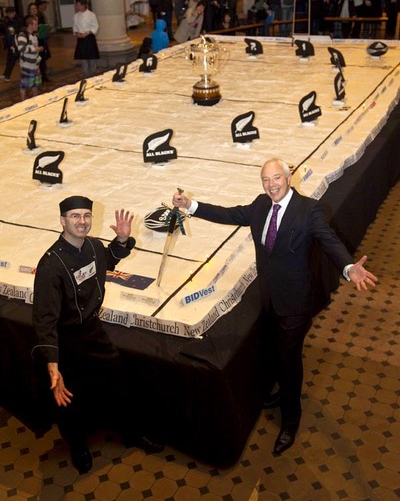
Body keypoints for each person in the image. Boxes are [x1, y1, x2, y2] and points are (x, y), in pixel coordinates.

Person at [172, 158, 377, 456]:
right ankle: (282, 392)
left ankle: (290, 420)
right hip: (269, 296)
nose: (271, 185)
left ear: (289, 176)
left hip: (296, 302)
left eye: (276, 178)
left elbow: (329, 240)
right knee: (276, 351)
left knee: (289, 359)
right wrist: (191, 205)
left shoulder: (309, 210)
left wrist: (348, 268)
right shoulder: (260, 205)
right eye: (266, 180)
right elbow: (230, 214)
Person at [32, 196, 163, 474]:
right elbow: (44, 320)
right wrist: (53, 366)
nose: (82, 221)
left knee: (119, 381)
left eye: (86, 216)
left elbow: (109, 259)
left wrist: (123, 241)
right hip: (65, 339)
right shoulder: (50, 265)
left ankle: (131, 433)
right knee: (70, 399)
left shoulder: (93, 246)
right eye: (75, 216)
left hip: (92, 331)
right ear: (62, 221)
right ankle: (77, 446)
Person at [17, 15, 43, 101]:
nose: (37, 26)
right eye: (35, 24)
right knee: (24, 85)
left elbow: (35, 52)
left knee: (35, 84)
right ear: (30, 25)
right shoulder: (22, 35)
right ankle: (23, 103)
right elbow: (21, 48)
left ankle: (36, 101)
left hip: (34, 65)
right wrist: (35, 49)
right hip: (26, 65)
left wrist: (38, 65)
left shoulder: (33, 35)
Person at [72, 0, 100, 78]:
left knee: (92, 58)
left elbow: (95, 26)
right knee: (83, 59)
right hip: (81, 39)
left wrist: (87, 32)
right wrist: (77, 33)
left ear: (84, 5)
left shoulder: (91, 15)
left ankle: (93, 74)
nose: (77, 7)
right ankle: (86, 75)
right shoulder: (76, 16)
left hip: (89, 38)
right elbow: (74, 26)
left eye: (79, 5)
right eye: (77, 5)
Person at [0, 6, 23, 82]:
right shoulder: (5, 21)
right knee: (10, 60)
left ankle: (25, 75)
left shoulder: (19, 20)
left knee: (21, 60)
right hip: (10, 44)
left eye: (11, 13)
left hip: (18, 43)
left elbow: (20, 31)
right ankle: (6, 75)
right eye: (8, 13)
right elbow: (4, 30)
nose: (10, 15)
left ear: (14, 13)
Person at [35, 0, 51, 82]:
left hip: (42, 37)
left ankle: (43, 74)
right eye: (43, 5)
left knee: (43, 57)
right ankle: (42, 76)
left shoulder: (41, 14)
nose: (44, 7)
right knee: (40, 58)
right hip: (39, 39)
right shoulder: (37, 16)